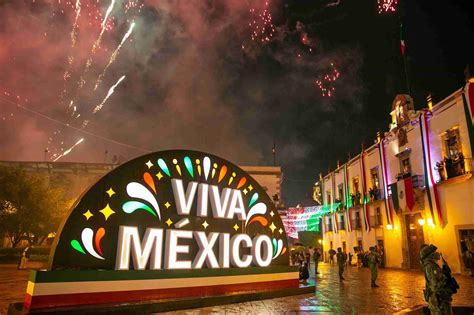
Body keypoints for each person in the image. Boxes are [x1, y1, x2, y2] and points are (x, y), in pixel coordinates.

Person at [420, 244, 456, 315]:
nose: (437, 253)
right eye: (434, 252)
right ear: (430, 255)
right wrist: (445, 281)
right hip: (438, 300)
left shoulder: (433, 265)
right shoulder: (431, 266)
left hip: (440, 299)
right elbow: (435, 286)